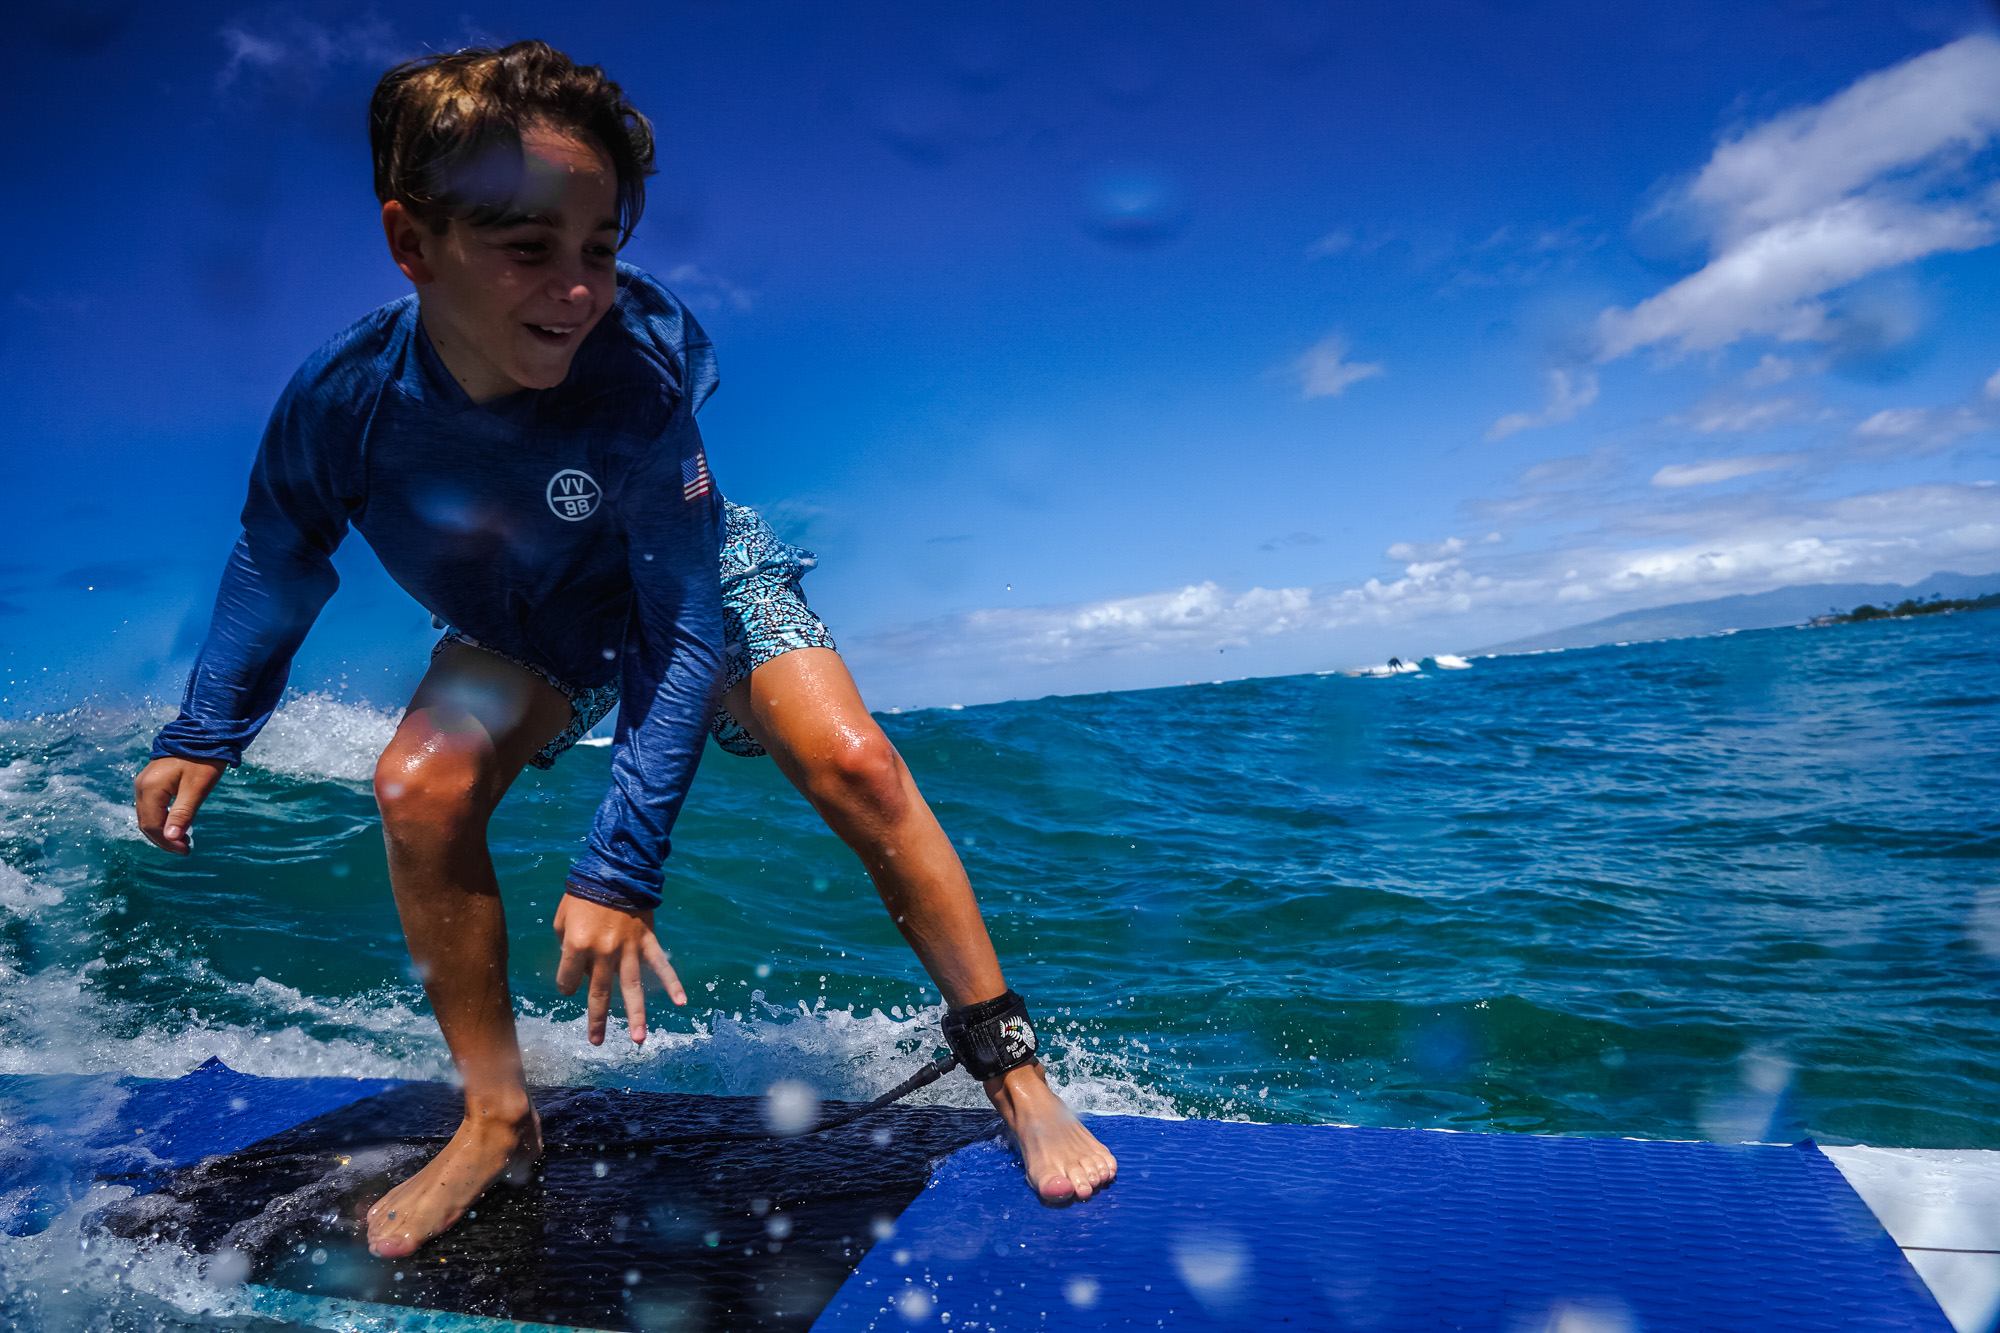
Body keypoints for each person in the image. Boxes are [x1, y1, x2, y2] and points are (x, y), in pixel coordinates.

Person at [130, 41, 1114, 1260]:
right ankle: (495, 1119)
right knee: (417, 787)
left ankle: (1010, 1070)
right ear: (411, 242)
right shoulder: (342, 403)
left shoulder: (637, 371)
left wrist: (619, 863)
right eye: (526, 248)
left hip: (695, 579)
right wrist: (207, 729)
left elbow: (683, 620)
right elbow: (279, 554)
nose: (576, 287)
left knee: (854, 761)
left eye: (600, 249)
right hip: (522, 625)